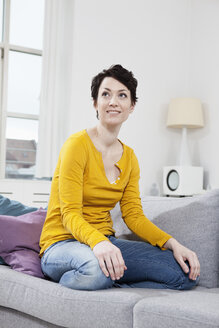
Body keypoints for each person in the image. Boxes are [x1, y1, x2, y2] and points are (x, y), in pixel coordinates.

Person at [39, 64, 200, 291]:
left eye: (122, 95)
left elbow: (134, 216)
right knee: (96, 269)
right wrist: (99, 244)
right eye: (106, 94)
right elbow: (70, 214)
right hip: (62, 244)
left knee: (185, 274)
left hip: (106, 242)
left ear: (131, 106)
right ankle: (94, 277)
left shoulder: (130, 158)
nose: (113, 101)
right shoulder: (76, 146)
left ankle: (110, 280)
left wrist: (173, 244)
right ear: (96, 103)